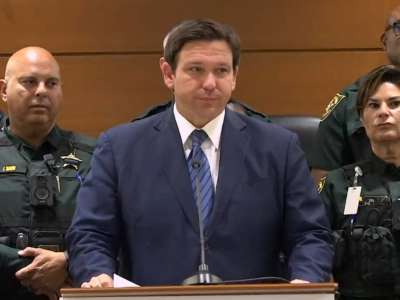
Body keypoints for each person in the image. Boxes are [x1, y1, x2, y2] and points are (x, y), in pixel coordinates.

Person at [66, 19, 333, 288]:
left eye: (221, 71)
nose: (210, 83)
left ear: (235, 76)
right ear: (168, 73)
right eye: (196, 69)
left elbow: (309, 234)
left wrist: (305, 281)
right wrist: (97, 273)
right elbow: (91, 233)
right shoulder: (120, 148)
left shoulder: (278, 148)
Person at [0, 47, 96, 299]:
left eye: (51, 83)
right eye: (29, 82)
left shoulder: (95, 155)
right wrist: (34, 269)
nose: (41, 90)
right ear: (4, 91)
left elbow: (115, 231)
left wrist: (67, 261)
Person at [319, 65, 400, 299]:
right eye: (374, 105)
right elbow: (310, 245)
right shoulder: (336, 184)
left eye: (394, 104)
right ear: (362, 120)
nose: (384, 112)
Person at [311, 4, 400, 182]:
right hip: (368, 203)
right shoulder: (349, 101)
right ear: (385, 41)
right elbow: (322, 177)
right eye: (399, 27)